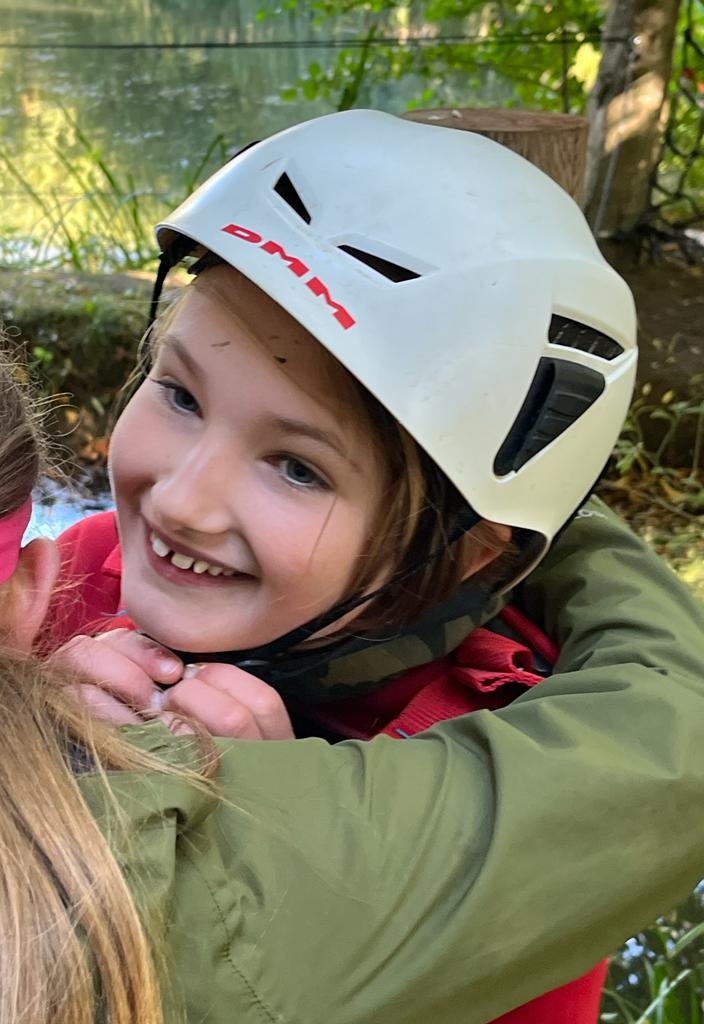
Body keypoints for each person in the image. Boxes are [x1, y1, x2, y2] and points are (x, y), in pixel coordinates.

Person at [44, 111, 704, 1023]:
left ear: (467, 549)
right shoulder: (80, 572)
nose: (182, 501)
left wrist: (290, 842)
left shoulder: (507, 771)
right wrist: (11, 720)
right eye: (181, 394)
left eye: (297, 467)